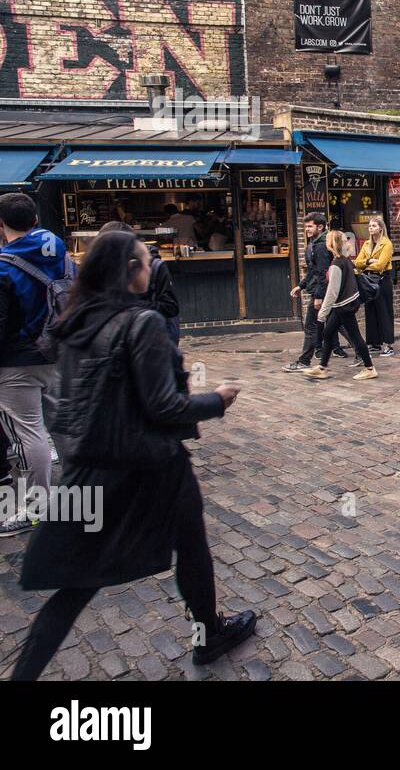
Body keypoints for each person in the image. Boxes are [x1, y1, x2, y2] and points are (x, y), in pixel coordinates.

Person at [11, 229, 255, 678]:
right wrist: (217, 399)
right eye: (146, 260)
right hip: (151, 462)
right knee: (192, 546)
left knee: (76, 585)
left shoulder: (76, 319)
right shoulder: (142, 323)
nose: (152, 267)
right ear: (129, 270)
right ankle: (208, 634)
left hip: (90, 466)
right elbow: (163, 406)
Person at [0, 193, 68, 537]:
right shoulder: (58, 252)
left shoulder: (3, 266)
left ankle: (36, 508)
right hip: (55, 353)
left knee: (28, 435)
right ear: (35, 219)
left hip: (16, 363)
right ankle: (79, 490)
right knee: (60, 426)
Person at [302, 231, 377, 381]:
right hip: (344, 304)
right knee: (328, 334)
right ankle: (322, 368)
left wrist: (322, 312)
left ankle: (369, 368)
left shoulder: (337, 264)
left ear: (331, 244)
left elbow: (332, 291)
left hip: (343, 306)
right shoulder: (345, 259)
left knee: (355, 336)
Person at [99, 221, 181, 344]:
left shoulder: (154, 266)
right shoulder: (105, 268)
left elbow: (171, 307)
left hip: (155, 336)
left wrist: (133, 305)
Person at [284, 212, 333, 372]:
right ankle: (362, 357)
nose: (307, 229)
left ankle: (304, 361)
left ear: (320, 226)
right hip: (324, 291)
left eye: (310, 226)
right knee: (342, 324)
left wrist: (318, 296)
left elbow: (323, 275)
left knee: (310, 326)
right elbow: (313, 271)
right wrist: (301, 285)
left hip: (324, 292)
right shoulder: (316, 242)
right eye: (305, 226)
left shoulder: (320, 246)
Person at [355, 217, 396, 358]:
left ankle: (389, 345)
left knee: (384, 311)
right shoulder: (366, 244)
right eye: (369, 226)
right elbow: (357, 262)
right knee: (370, 311)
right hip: (368, 280)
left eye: (373, 226)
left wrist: (366, 265)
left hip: (382, 280)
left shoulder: (387, 244)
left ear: (380, 228)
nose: (370, 228)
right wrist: (368, 261)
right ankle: (374, 343)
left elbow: (381, 265)